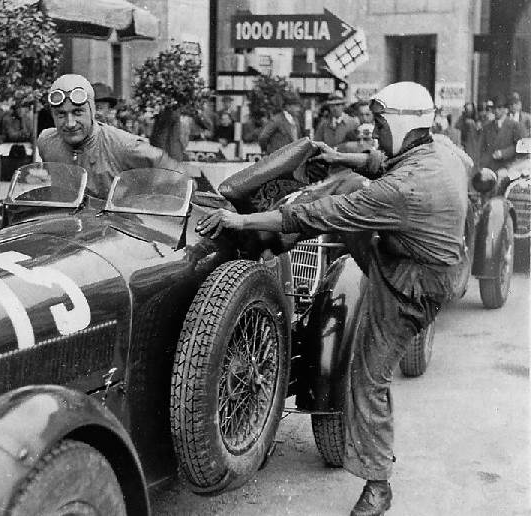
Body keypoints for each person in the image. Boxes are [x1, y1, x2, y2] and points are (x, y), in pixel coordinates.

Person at [197, 81, 467, 516]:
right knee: (344, 182)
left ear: (400, 125)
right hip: (411, 254)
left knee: (367, 379)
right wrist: (340, 157)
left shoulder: (404, 189)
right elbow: (380, 163)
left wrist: (242, 222)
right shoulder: (441, 151)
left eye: (379, 124)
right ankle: (268, 241)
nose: (373, 132)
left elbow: (322, 215)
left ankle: (378, 486)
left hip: (410, 287)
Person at [37, 74, 192, 198]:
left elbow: (179, 179)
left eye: (78, 112)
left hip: (116, 226)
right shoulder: (47, 141)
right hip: (66, 223)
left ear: (92, 111)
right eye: (61, 114)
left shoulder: (123, 145)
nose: (70, 123)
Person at [478, 94, 524, 171]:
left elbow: (522, 148)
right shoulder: (487, 127)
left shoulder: (515, 126)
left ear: (506, 109)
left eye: (499, 108)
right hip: (490, 169)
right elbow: (481, 149)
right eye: (494, 108)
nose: (496, 111)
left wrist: (504, 153)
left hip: (509, 169)